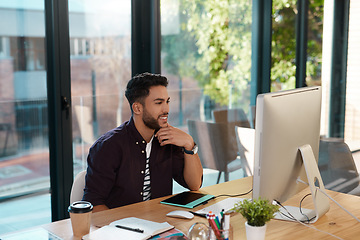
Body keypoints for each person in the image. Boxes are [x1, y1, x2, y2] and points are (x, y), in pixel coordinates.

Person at [83, 72, 203, 212]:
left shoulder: (168, 138)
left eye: (167, 101)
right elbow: (94, 204)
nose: (166, 109)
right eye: (159, 103)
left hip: (161, 224)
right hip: (122, 229)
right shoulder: (108, 146)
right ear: (137, 108)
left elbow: (194, 185)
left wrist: (189, 144)